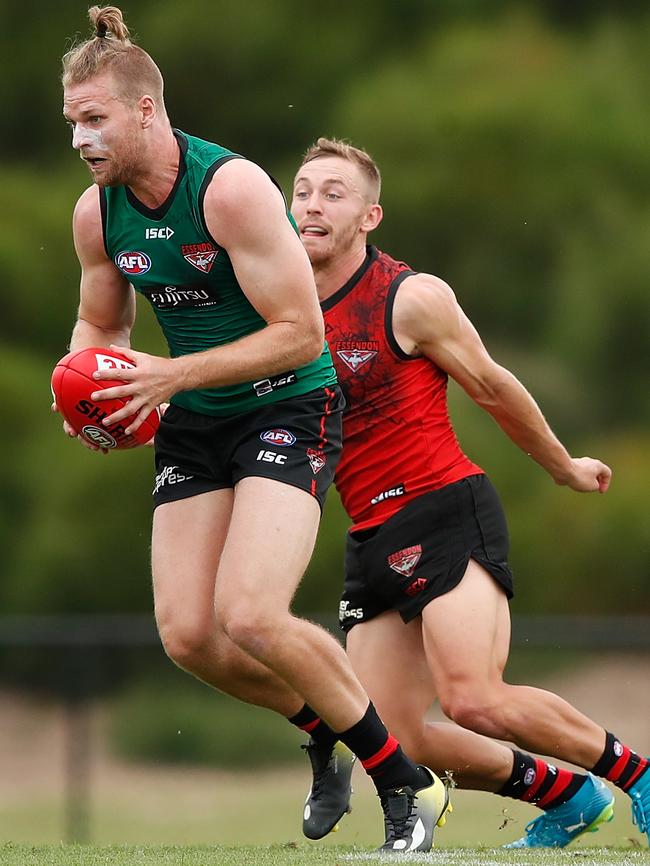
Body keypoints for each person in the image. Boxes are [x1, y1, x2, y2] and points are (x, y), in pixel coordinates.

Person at [57, 7, 450, 853]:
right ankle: (323, 731)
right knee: (190, 638)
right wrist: (83, 387)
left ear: (146, 112)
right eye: (73, 123)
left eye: (96, 119)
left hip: (287, 405)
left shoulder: (229, 189)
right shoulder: (97, 214)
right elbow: (101, 330)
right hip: (195, 418)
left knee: (251, 615)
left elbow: (303, 334)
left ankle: (401, 784)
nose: (83, 140)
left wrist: (170, 375)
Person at [288, 136, 650, 849]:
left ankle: (638, 776)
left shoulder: (410, 297)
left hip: (444, 507)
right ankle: (568, 798)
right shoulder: (277, 303)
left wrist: (563, 466)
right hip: (370, 534)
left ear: (370, 216)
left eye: (334, 192)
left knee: (475, 700)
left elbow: (491, 385)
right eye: (301, 190)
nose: (311, 204)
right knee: (388, 741)